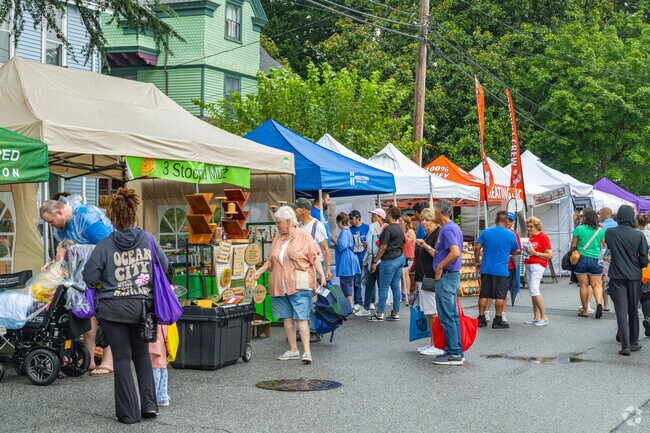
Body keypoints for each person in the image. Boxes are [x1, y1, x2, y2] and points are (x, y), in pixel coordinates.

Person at [82, 187, 164, 424]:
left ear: (114, 218)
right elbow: (166, 267)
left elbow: (89, 278)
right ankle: (149, 406)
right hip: (142, 309)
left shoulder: (105, 245)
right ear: (134, 212)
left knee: (121, 359)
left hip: (112, 310)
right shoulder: (148, 240)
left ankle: (128, 414)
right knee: (142, 356)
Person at [40, 196, 115, 376]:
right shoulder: (62, 227)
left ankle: (109, 360)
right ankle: (88, 357)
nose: (50, 226)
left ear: (59, 212)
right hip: (84, 276)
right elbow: (68, 251)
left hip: (108, 271)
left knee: (108, 314)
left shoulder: (87, 217)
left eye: (51, 221)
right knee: (87, 313)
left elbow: (108, 246)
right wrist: (53, 263)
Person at [250, 206, 326, 364]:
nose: (276, 225)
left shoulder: (304, 237)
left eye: (278, 222)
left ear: (288, 221)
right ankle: (293, 350)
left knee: (301, 318)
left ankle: (307, 352)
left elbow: (314, 257)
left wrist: (322, 274)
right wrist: (259, 271)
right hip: (279, 284)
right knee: (287, 318)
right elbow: (270, 261)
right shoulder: (278, 239)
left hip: (299, 283)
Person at [605, 206, 649, 355]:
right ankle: (634, 342)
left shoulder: (610, 233)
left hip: (617, 277)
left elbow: (611, 249)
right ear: (632, 217)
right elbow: (644, 260)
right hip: (634, 277)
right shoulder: (639, 235)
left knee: (620, 311)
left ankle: (625, 346)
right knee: (633, 310)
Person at [430, 200, 464, 366]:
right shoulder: (453, 227)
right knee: (451, 314)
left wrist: (440, 266)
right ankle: (456, 350)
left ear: (437, 212)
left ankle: (454, 352)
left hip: (447, 276)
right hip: (452, 275)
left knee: (447, 315)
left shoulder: (448, 228)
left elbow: (455, 252)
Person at [475, 211, 520, 329]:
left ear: (495, 220)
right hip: (501, 270)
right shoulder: (511, 235)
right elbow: (515, 251)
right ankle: (498, 319)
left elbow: (477, 247)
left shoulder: (486, 232)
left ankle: (481, 318)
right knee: (501, 296)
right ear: (506, 221)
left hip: (486, 268)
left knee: (484, 294)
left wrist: (477, 261)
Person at [413, 208, 443, 356]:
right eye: (422, 220)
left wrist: (425, 246)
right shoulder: (429, 234)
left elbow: (438, 255)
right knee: (429, 312)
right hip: (424, 278)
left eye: (427, 220)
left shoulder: (437, 234)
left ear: (434, 220)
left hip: (431, 277)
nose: (424, 223)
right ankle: (433, 342)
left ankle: (437, 343)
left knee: (433, 313)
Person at [368, 207, 405, 322]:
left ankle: (379, 314)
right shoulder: (400, 228)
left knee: (383, 288)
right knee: (395, 286)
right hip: (400, 258)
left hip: (389, 260)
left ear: (389, 215)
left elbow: (383, 247)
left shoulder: (388, 229)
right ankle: (395, 313)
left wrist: (375, 261)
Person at [571, 208, 606, 318]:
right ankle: (599, 302)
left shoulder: (579, 229)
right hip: (596, 259)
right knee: (596, 284)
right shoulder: (600, 230)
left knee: (583, 285)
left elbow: (573, 245)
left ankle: (585, 310)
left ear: (585, 217)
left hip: (581, 259)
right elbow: (605, 244)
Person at [523, 217, 553, 326]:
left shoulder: (542, 236)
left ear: (537, 227)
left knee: (535, 290)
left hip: (537, 265)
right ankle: (536, 316)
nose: (529, 229)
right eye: (528, 226)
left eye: (531, 226)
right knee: (532, 290)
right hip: (529, 264)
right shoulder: (531, 237)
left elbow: (550, 254)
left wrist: (536, 253)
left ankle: (544, 317)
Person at [292, 198, 332, 282]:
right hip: (303, 267)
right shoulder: (299, 226)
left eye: (296, 209)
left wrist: (328, 269)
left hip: (317, 267)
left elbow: (325, 249)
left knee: (318, 293)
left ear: (303, 210)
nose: (294, 211)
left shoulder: (317, 225)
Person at [355, 209, 385, 316]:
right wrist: (366, 245)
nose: (371, 218)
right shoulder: (371, 228)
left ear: (380, 217)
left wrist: (375, 259)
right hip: (371, 258)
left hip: (378, 259)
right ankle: (367, 306)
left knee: (381, 285)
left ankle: (379, 310)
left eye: (373, 216)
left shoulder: (382, 228)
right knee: (369, 284)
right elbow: (371, 244)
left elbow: (381, 245)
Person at [335, 213, 361, 307]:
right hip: (349, 260)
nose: (337, 225)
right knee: (348, 284)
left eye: (337, 222)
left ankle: (348, 307)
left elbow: (342, 246)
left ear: (340, 222)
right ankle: (349, 306)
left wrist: (334, 240)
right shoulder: (348, 231)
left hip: (345, 262)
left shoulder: (344, 232)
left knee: (346, 285)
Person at [348, 210, 369, 312]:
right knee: (357, 282)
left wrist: (367, 245)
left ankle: (370, 301)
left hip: (365, 258)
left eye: (352, 219)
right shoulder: (349, 230)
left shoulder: (366, 227)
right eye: (349, 219)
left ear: (358, 218)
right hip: (355, 259)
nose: (350, 221)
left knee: (369, 281)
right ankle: (358, 302)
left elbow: (372, 241)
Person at [599, 207, 618, 312]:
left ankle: (606, 304)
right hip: (617, 256)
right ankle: (617, 302)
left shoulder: (601, 227)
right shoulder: (618, 226)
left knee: (604, 279)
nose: (599, 217)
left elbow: (600, 242)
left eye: (601, 215)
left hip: (605, 255)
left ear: (605, 215)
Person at [635, 214, 650, 337]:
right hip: (649, 269)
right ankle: (648, 318)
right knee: (647, 295)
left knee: (634, 297)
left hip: (635, 268)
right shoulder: (649, 234)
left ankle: (627, 324)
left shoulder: (633, 234)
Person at [149, 325, 170, 407]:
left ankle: (152, 397)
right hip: (164, 328)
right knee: (162, 365)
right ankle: (162, 396)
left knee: (154, 364)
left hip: (155, 330)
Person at [400, 215, 416, 305]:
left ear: (405, 222)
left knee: (406, 273)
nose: (400, 222)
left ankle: (407, 292)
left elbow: (413, 241)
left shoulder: (410, 231)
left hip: (409, 255)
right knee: (403, 273)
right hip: (403, 255)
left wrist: (404, 236)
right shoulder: (403, 230)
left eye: (401, 220)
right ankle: (403, 291)